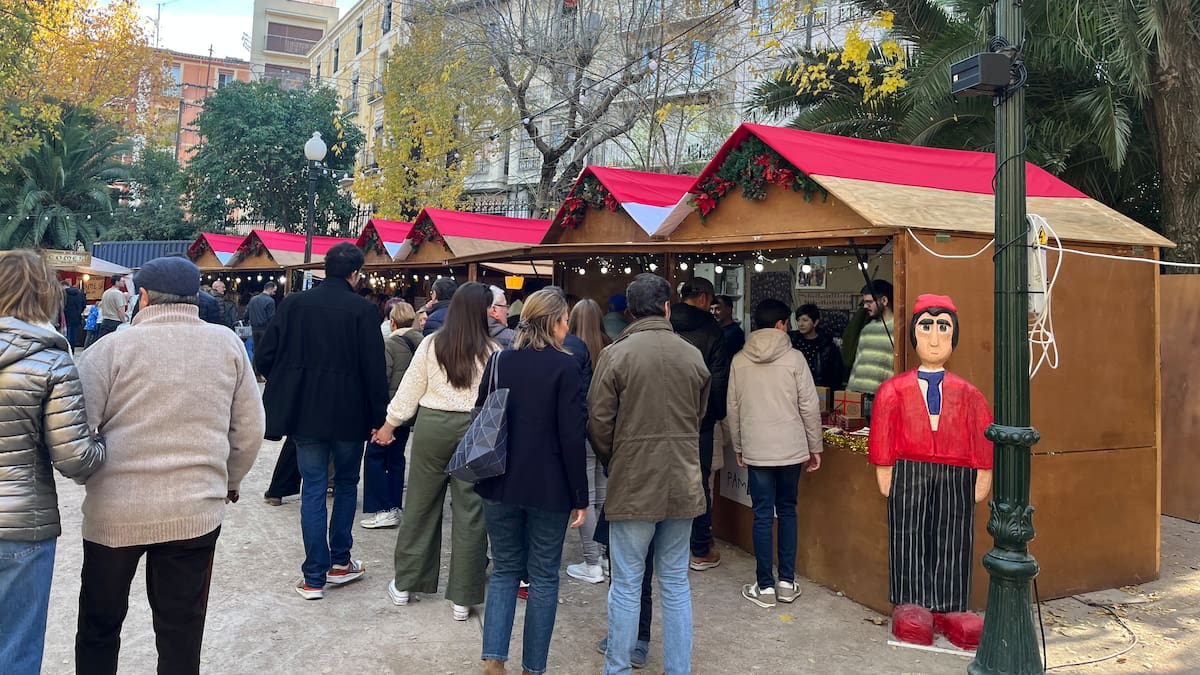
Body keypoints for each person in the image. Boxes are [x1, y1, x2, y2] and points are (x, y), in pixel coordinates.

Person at [74, 256, 264, 674]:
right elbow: (250, 429)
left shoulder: (110, 349)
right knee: (181, 627)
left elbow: (77, 432)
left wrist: (94, 477)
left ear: (142, 297)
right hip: (194, 510)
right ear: (194, 297)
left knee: (99, 624)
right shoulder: (227, 344)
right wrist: (229, 479)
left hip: (114, 513)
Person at [589, 273, 709, 675]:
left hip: (634, 482)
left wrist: (616, 460)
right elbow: (699, 415)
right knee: (675, 583)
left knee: (625, 584)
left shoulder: (616, 354)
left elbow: (598, 422)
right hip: (683, 480)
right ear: (667, 307)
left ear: (628, 312)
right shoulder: (691, 354)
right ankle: (679, 669)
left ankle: (617, 669)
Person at [255, 243, 389, 600]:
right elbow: (375, 371)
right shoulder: (363, 311)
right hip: (349, 412)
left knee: (312, 487)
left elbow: (265, 354)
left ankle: (313, 576)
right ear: (355, 273)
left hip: (304, 410)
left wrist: (286, 379)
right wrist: (380, 418)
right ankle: (340, 562)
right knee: (345, 484)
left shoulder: (295, 304)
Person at [0, 251, 105, 674]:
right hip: (23, 523)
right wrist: (103, 444)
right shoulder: (53, 362)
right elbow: (74, 458)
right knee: (17, 648)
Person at [868, 294, 993, 650]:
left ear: (954, 335)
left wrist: (983, 472)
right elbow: (882, 430)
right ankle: (911, 601)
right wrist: (884, 466)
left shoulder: (970, 395)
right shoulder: (893, 390)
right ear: (914, 335)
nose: (935, 337)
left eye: (943, 327)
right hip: (908, 467)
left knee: (954, 533)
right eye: (926, 326)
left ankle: (952, 604)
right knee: (907, 532)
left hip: (957, 471)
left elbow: (982, 436)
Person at [477, 289, 588, 675]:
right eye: (565, 320)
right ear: (557, 323)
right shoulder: (566, 367)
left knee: (506, 569)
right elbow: (573, 435)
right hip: (550, 485)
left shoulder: (499, 361)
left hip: (498, 478)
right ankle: (533, 667)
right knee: (543, 576)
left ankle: (494, 658)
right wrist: (580, 495)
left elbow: (482, 413)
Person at [373, 282, 496, 620]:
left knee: (421, 505)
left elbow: (411, 389)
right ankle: (463, 597)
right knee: (471, 512)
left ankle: (406, 584)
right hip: (475, 429)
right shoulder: (493, 350)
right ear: (483, 311)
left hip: (432, 427)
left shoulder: (432, 343)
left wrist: (390, 424)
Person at [727, 299, 824, 609]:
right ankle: (786, 582)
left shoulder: (740, 360)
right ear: (782, 324)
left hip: (757, 451)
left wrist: (739, 446)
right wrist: (815, 446)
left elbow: (733, 409)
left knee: (762, 515)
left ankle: (764, 587)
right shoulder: (795, 359)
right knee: (788, 510)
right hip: (791, 450)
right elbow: (809, 405)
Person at [669, 276, 729, 572]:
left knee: (665, 478)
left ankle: (668, 547)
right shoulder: (712, 330)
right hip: (700, 420)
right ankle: (700, 549)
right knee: (700, 482)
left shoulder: (665, 324)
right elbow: (717, 381)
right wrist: (714, 414)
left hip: (663, 416)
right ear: (704, 298)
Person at [561, 298, 611, 584]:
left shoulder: (567, 348)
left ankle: (592, 562)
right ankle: (602, 555)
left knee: (587, 497)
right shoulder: (610, 345)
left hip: (579, 428)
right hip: (604, 429)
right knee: (602, 495)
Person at [361, 301, 422, 529]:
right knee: (396, 459)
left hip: (390, 413)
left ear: (392, 322)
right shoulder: (423, 342)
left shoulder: (390, 344)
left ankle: (383, 509)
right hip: (410, 413)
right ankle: (395, 505)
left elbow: (381, 380)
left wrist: (376, 416)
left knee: (375, 457)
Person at [846, 279, 895, 421]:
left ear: (884, 301)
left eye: (869, 302)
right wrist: (849, 393)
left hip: (883, 398)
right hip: (859, 397)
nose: (865, 306)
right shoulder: (867, 329)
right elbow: (857, 363)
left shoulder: (898, 329)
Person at [789, 303, 845, 390]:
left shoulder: (828, 346)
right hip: (794, 388)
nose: (800, 324)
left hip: (819, 390)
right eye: (798, 320)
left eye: (805, 320)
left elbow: (836, 375)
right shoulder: (792, 341)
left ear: (815, 322)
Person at [247, 282, 278, 368]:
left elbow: (247, 313)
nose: (274, 293)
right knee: (265, 351)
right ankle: (262, 371)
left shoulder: (253, 299)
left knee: (256, 351)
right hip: (265, 329)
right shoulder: (270, 301)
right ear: (270, 289)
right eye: (274, 291)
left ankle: (255, 371)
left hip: (254, 329)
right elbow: (271, 317)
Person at [95, 275, 126, 340]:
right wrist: (124, 322)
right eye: (122, 281)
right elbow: (120, 310)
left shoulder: (106, 292)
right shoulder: (118, 294)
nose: (124, 283)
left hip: (105, 321)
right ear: (117, 282)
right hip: (115, 322)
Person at [62, 279, 86, 348]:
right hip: (77, 317)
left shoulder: (63, 294)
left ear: (63, 286)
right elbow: (84, 304)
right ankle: (72, 350)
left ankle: (67, 349)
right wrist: (79, 311)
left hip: (66, 317)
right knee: (74, 335)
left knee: (66, 335)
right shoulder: (80, 293)